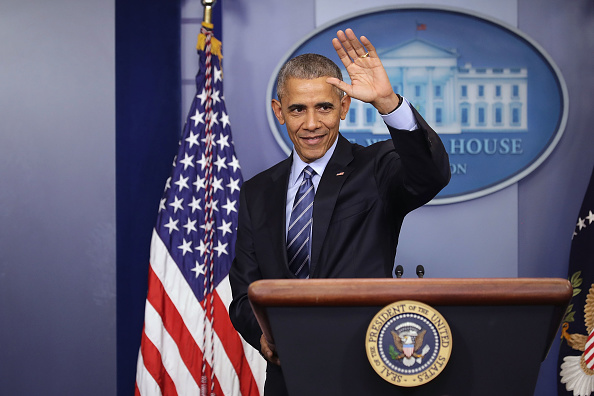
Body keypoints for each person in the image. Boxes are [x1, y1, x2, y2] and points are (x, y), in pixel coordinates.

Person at [229, 28, 451, 395]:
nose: (311, 123)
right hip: (288, 375)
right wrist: (262, 336)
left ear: (344, 107)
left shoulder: (376, 167)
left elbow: (430, 175)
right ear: (279, 111)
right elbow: (244, 291)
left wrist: (388, 104)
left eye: (324, 107)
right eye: (298, 109)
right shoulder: (257, 191)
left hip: (364, 371)